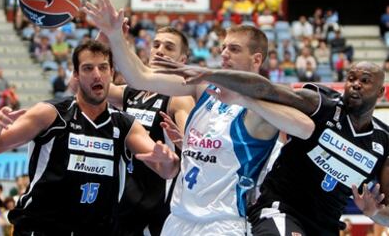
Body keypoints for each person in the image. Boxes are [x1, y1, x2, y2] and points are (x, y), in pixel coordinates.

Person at [83, 0, 315, 235]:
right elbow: (140, 77)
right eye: (224, 47)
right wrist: (114, 35)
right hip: (178, 218)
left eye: (234, 49)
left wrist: (245, 98)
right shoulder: (204, 86)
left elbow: (304, 127)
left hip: (223, 222)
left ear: (256, 59)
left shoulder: (261, 101)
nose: (224, 53)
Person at [154, 59, 389, 235]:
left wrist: (373, 213)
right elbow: (268, 89)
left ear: (381, 92)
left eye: (365, 81)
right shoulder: (322, 105)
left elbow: (386, 217)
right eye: (351, 78)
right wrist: (214, 75)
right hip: (281, 209)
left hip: (324, 226)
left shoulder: (382, 141)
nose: (355, 85)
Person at [0, 40, 180, 236]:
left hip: (97, 230)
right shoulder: (50, 114)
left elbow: (167, 171)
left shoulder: (124, 124)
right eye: (88, 68)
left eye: (103, 67)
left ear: (112, 73)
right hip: (41, 228)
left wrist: (167, 160)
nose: (97, 75)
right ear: (75, 74)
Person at [94, 26, 195, 236]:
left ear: (182, 60)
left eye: (169, 47)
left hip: (160, 201)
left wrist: (183, 143)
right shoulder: (132, 93)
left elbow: (194, 150)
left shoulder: (179, 98)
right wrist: (102, 41)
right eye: (156, 45)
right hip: (126, 196)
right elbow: (89, 85)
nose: (159, 51)